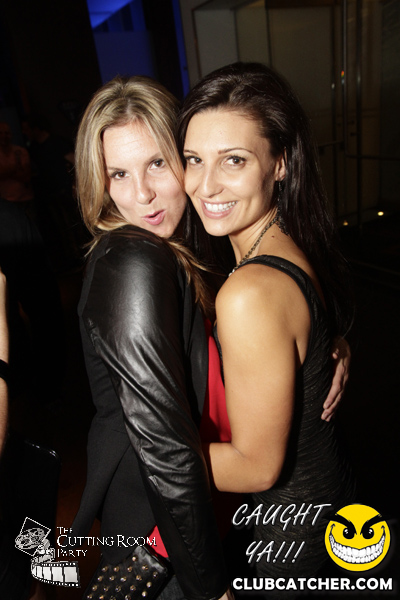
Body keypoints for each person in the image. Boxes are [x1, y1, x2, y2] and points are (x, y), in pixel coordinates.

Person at [178, 62, 355, 585]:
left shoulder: (249, 293)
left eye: (233, 160)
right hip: (327, 508)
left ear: (280, 164)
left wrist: (139, 451)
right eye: (193, 160)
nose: (205, 185)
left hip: (287, 536)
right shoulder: (288, 246)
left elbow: (256, 467)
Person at [70, 75, 231, 600]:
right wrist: (210, 586)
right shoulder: (135, 259)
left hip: (177, 519)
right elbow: (164, 445)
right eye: (118, 173)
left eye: (157, 163)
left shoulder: (180, 249)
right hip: (162, 536)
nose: (141, 194)